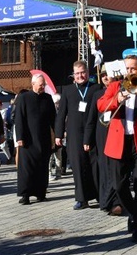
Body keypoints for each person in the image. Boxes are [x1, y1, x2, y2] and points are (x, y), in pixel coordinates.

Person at [96, 55, 137, 242]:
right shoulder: (114, 86)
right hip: (120, 141)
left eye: (133, 69)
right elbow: (101, 105)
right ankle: (134, 213)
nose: (130, 72)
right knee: (119, 184)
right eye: (127, 69)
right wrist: (119, 97)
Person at [56, 60, 99, 210]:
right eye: (77, 73)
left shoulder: (96, 88)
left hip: (93, 133)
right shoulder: (67, 91)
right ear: (73, 75)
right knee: (78, 167)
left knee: (95, 165)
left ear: (88, 73)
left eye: (83, 72)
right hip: (74, 135)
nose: (80, 75)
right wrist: (58, 134)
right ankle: (82, 198)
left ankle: (99, 195)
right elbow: (61, 114)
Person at [84, 68, 121, 215]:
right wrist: (87, 139)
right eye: (103, 75)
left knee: (117, 169)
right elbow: (91, 119)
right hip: (101, 137)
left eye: (108, 75)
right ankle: (105, 201)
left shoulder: (122, 91)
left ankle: (117, 201)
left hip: (118, 135)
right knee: (104, 169)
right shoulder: (97, 94)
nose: (105, 77)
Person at [15, 74, 57, 205]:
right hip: (28, 140)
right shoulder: (24, 98)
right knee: (27, 169)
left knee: (42, 167)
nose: (43, 87)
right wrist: (20, 137)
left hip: (43, 138)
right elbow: (19, 119)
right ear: (33, 84)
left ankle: (41, 193)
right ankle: (25, 195)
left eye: (44, 85)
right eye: (41, 85)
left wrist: (58, 134)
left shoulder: (48, 98)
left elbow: (53, 119)